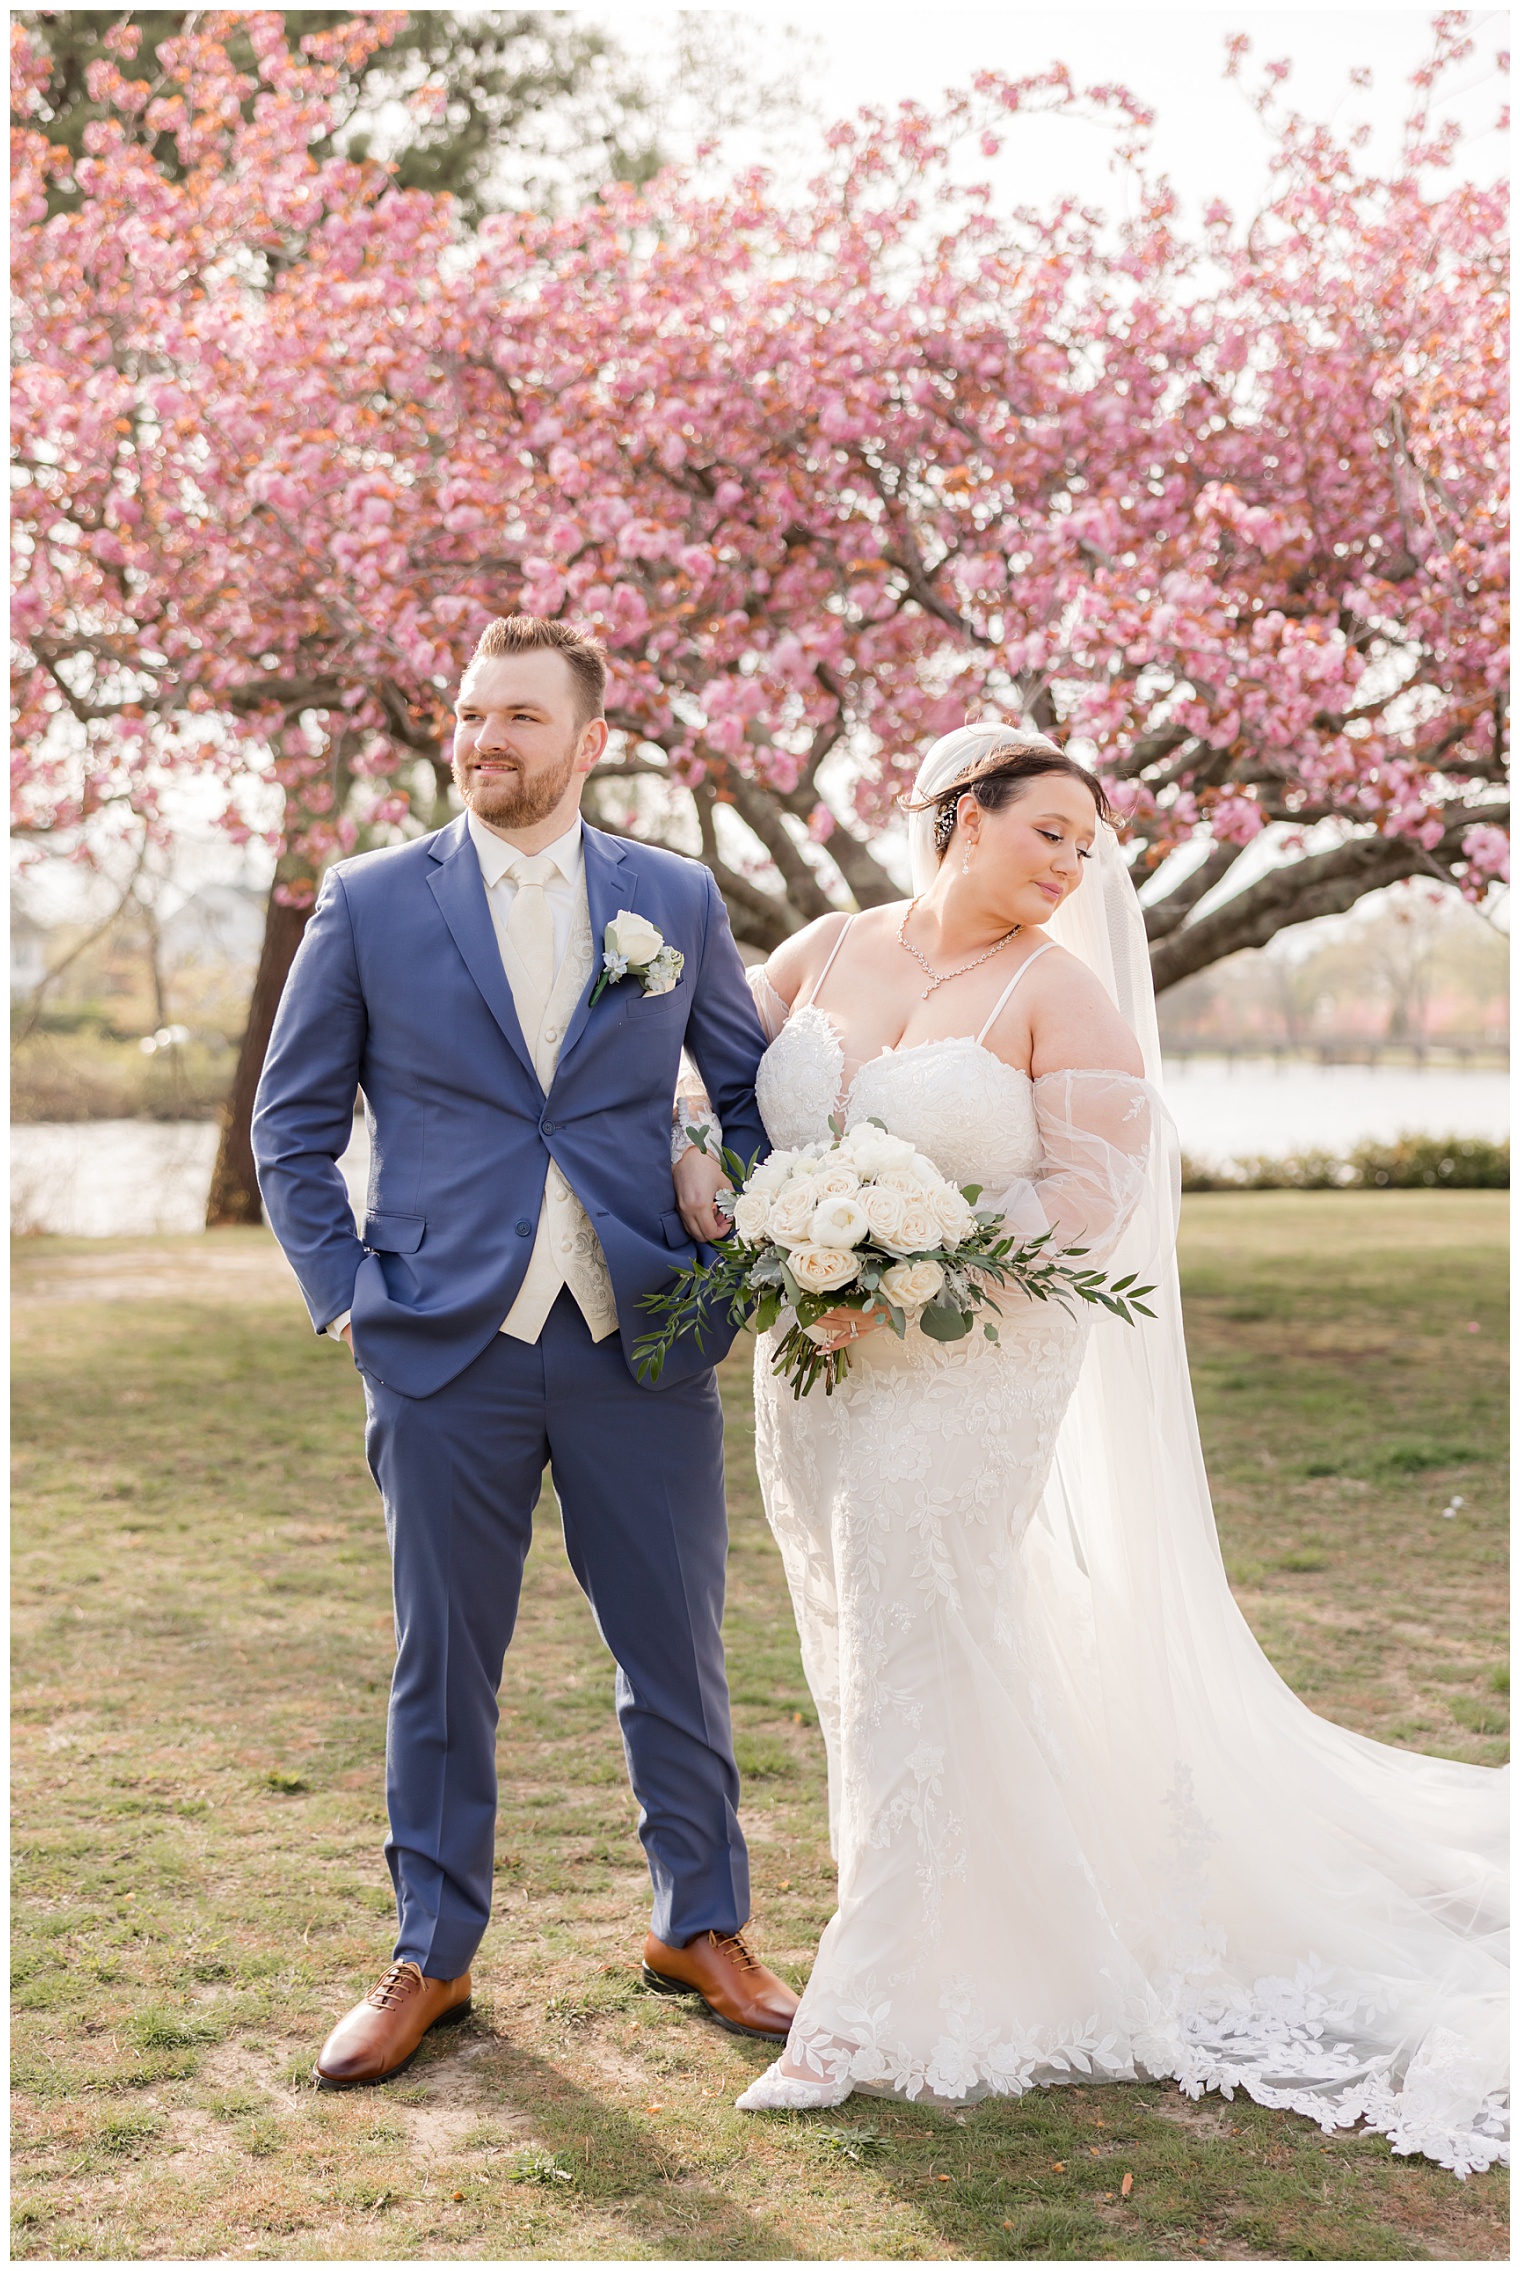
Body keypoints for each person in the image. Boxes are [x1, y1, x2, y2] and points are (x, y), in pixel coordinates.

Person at [729, 722, 1508, 2177]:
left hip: (971, 1367)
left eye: (1091, 847)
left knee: (915, 1630)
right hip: (812, 1368)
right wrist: (756, 1227)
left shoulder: (1063, 994)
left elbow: (1089, 1195)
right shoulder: (825, 947)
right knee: (870, 1640)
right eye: (1052, 834)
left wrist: (900, 1263)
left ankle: (858, 2007)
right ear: (964, 814)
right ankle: (972, 1907)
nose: (1074, 866)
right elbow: (706, 1084)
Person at [252, 614, 798, 2088]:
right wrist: (347, 1288)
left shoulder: (670, 899)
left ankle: (706, 1925)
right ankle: (431, 1954)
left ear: (588, 738)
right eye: (471, 714)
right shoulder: (370, 901)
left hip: (642, 1337)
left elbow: (750, 1097)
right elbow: (290, 1126)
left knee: (675, 1651)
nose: (485, 739)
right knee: (445, 1662)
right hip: (442, 1344)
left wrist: (726, 1236)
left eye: (519, 719)